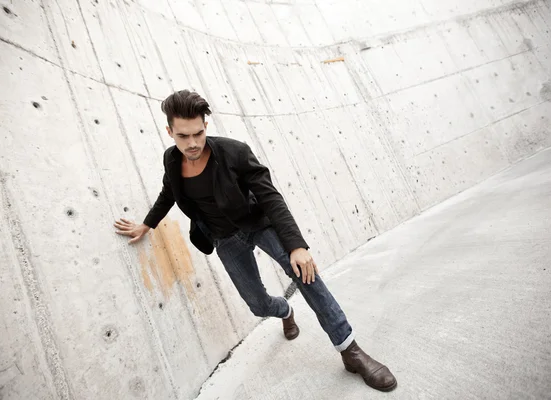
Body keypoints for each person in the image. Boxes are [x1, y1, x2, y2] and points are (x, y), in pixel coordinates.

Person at [114, 90, 397, 392]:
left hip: (258, 224)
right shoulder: (171, 160)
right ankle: (286, 312)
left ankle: (350, 350)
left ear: (206, 127)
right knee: (258, 305)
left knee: (306, 275)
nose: (193, 143)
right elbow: (168, 194)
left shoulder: (234, 152)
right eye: (183, 136)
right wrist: (146, 225)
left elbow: (269, 195)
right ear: (170, 131)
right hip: (224, 239)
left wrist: (297, 246)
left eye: (198, 133)